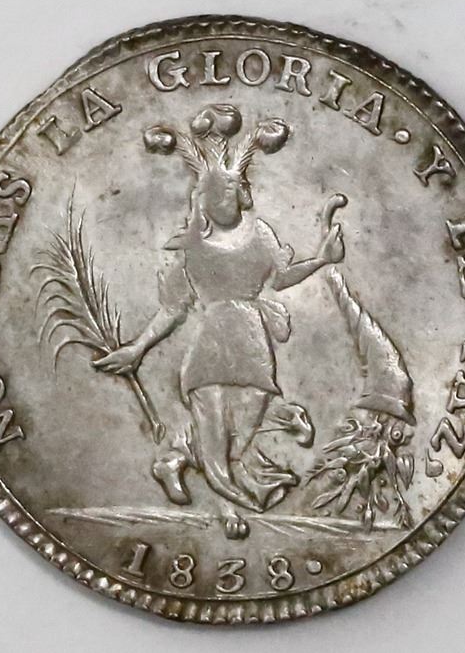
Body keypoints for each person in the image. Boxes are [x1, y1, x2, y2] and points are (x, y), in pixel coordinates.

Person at [94, 105, 344, 537]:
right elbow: (173, 308)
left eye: (235, 190)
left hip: (252, 342)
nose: (232, 198)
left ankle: (174, 459)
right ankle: (227, 508)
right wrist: (137, 348)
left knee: (242, 430)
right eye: (220, 194)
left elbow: (282, 278)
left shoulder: (261, 236)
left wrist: (322, 259)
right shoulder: (191, 247)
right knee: (215, 432)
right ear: (204, 201)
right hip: (210, 344)